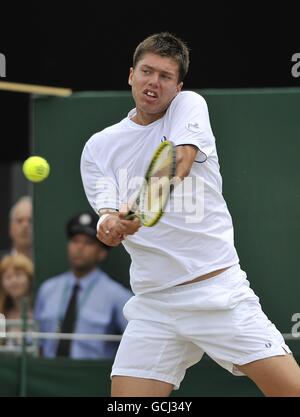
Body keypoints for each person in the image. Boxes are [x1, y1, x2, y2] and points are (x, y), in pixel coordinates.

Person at [80, 32, 300, 397]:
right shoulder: (98, 147)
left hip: (215, 293)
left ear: (178, 86)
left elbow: (180, 159)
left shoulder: (189, 105)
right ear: (131, 74)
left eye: (165, 76)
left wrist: (146, 203)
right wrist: (112, 226)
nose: (154, 82)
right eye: (147, 71)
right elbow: (106, 217)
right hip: (154, 305)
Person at [34, 211, 132, 360]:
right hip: (48, 375)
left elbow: (133, 344)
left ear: (102, 253)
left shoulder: (117, 296)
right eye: (75, 241)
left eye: (88, 243)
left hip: (92, 377)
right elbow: (36, 341)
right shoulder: (48, 289)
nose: (80, 248)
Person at [0, 254, 34, 347]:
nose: (13, 281)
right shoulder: (2, 315)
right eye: (8, 277)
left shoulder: (39, 311)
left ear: (29, 278)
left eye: (18, 275)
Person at [0, 196, 33, 261]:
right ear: (10, 228)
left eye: (30, 220)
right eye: (19, 220)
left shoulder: (47, 263)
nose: (25, 225)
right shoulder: (1, 263)